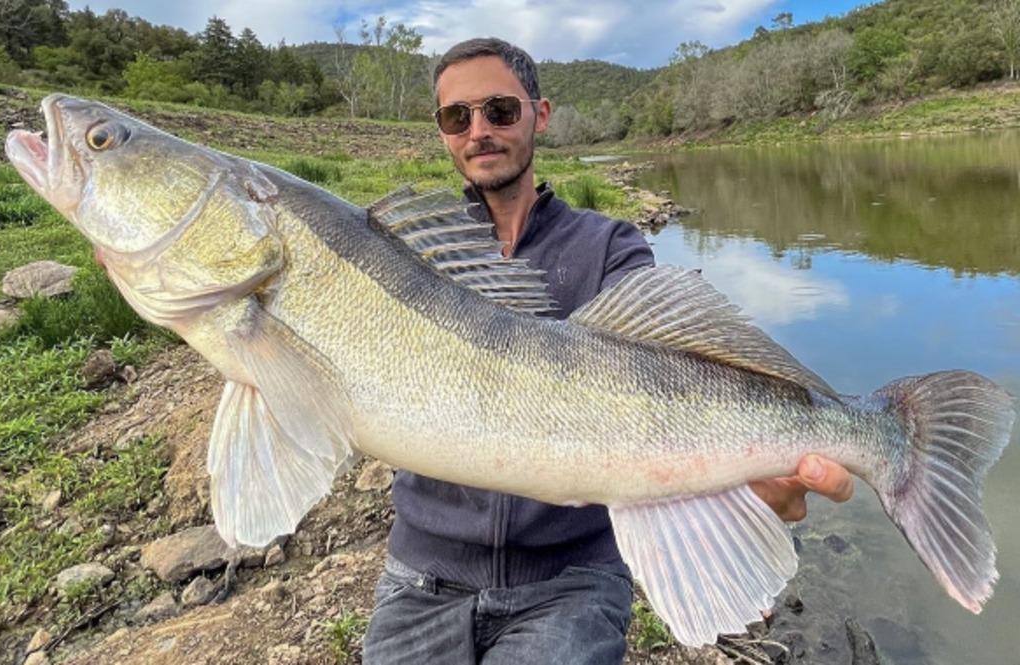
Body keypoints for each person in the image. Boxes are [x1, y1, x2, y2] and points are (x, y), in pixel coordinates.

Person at [362, 37, 854, 665]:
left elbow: (671, 375)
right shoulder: (405, 255)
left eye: (499, 110)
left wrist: (739, 481)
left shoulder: (610, 246)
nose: (478, 131)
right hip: (421, 576)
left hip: (571, 581)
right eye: (457, 117)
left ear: (540, 115)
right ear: (443, 132)